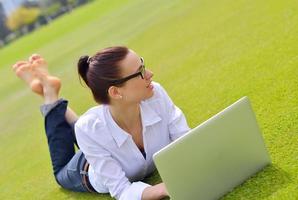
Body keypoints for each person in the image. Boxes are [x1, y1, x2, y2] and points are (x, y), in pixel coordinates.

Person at [13, 46, 190, 200]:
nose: (150, 74)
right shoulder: (89, 129)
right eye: (140, 71)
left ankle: (51, 95)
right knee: (61, 172)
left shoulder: (155, 93)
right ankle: (50, 96)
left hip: (96, 133)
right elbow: (121, 190)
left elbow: (186, 141)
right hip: (86, 167)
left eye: (143, 64)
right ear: (115, 92)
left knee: (89, 128)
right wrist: (162, 189)